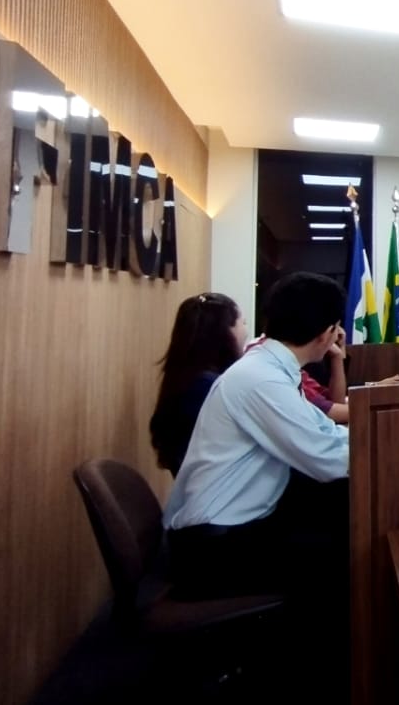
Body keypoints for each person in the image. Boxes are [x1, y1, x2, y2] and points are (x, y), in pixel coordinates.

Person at [163, 271, 350, 640]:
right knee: (342, 554)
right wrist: (392, 448)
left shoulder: (269, 368)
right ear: (326, 334)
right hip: (210, 550)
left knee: (335, 522)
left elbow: (323, 431)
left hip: (225, 531)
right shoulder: (262, 379)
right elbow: (329, 459)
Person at [149, 293, 248, 476]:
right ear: (225, 332)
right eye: (243, 323)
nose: (246, 333)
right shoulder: (209, 388)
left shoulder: (186, 380)